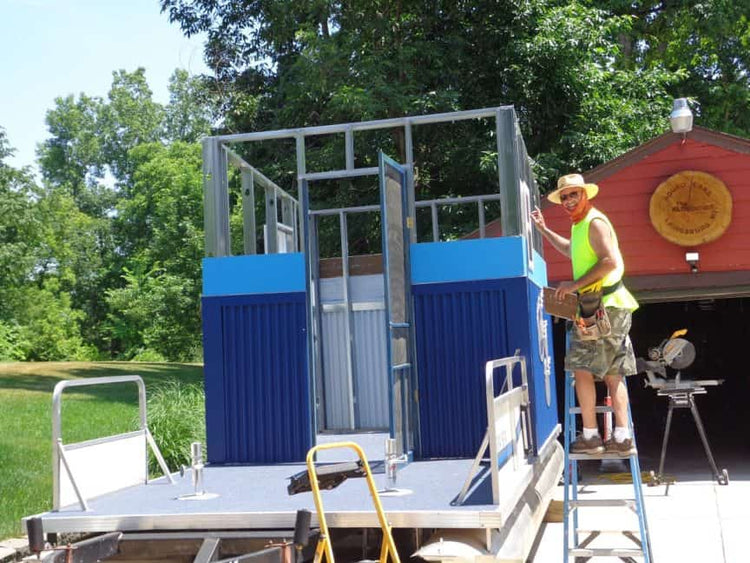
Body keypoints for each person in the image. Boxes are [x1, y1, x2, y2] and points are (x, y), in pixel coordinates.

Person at [531, 173, 639, 456]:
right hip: (602, 306)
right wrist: (544, 230)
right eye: (564, 197)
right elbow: (571, 250)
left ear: (584, 194)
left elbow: (609, 262)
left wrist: (572, 287)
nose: (568, 201)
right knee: (611, 372)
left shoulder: (595, 222)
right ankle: (620, 436)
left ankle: (592, 436)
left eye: (573, 195)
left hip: (604, 307)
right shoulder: (580, 225)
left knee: (583, 369)